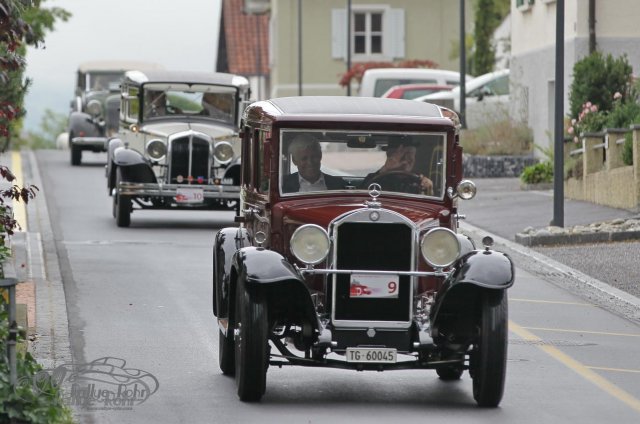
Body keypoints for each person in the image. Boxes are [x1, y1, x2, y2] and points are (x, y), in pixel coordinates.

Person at [361, 139, 433, 195]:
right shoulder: (376, 178)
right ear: (389, 156)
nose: (406, 160)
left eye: (410, 154)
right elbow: (361, 194)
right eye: (401, 155)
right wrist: (385, 169)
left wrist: (429, 187)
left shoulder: (419, 180)